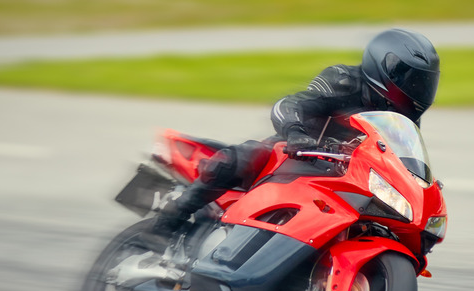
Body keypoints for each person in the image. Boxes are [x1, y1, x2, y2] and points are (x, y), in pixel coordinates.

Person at [145, 28, 441, 245]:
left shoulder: (403, 119)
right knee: (248, 156)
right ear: (384, 67)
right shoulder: (344, 80)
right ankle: (169, 221)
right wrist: (298, 134)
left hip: (347, 180)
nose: (419, 89)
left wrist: (420, 186)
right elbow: (291, 105)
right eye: (412, 79)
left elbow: (398, 155)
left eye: (425, 82)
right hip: (298, 156)